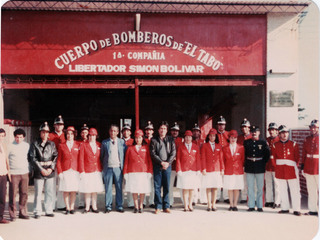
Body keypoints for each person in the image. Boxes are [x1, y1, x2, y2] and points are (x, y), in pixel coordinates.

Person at [29, 122, 58, 219]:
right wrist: (41, 169)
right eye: (43, 132)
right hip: (39, 171)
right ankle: (37, 211)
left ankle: (48, 210)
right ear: (40, 133)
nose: (45, 134)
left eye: (46, 132)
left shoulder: (52, 144)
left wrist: (51, 168)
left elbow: (55, 156)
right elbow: (32, 158)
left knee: (49, 191)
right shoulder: (34, 144)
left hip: (49, 171)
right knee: (38, 192)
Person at [271, 125, 301, 216]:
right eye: (282, 133)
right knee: (282, 189)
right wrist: (276, 167)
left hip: (291, 169)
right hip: (280, 169)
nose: (284, 135)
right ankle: (285, 208)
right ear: (279, 134)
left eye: (286, 132)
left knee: (294, 189)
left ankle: (296, 209)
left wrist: (296, 167)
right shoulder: (275, 145)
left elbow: (297, 158)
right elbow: (273, 158)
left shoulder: (294, 144)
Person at [123, 130, 153, 213]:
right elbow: (126, 161)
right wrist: (125, 172)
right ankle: (136, 206)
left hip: (143, 172)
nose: (137, 139)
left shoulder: (146, 148)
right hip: (133, 171)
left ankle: (141, 206)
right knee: (134, 189)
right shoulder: (130, 148)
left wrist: (150, 171)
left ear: (142, 138)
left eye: (139, 138)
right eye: (136, 138)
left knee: (142, 189)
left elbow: (149, 161)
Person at [150, 121, 176, 214]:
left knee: (167, 186)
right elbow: (153, 153)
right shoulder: (154, 140)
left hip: (168, 166)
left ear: (167, 130)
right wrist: (161, 162)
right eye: (161, 128)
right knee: (157, 186)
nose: (163, 130)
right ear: (158, 130)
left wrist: (168, 163)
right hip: (158, 165)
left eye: (164, 128)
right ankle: (157, 206)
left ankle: (166, 206)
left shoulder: (170, 139)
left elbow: (173, 152)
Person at [101, 125, 127, 213]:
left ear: (118, 132)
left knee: (119, 187)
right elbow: (102, 156)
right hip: (108, 167)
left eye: (115, 131)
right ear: (109, 132)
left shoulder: (122, 142)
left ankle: (119, 205)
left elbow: (124, 155)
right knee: (108, 187)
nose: (113, 133)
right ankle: (108, 206)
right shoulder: (105, 142)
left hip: (118, 168)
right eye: (111, 131)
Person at [243, 126, 270, 212]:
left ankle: (259, 206)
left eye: (256, 131)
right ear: (251, 132)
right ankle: (251, 205)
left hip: (259, 166)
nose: (254, 133)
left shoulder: (263, 142)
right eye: (253, 131)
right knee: (250, 187)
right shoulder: (247, 142)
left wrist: (262, 162)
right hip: (249, 166)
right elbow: (244, 154)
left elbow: (267, 154)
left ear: (259, 133)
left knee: (260, 187)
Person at [78, 128, 104, 213]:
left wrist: (102, 169)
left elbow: (101, 158)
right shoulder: (83, 145)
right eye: (90, 135)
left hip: (96, 170)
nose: (92, 137)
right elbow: (81, 159)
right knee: (87, 189)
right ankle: (87, 207)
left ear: (96, 136)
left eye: (93, 135)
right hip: (87, 170)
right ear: (88, 136)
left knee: (94, 189)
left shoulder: (99, 145)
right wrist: (82, 171)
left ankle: (94, 206)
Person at [56, 126, 80, 214]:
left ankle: (72, 207)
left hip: (74, 170)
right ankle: (67, 207)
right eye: (68, 134)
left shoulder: (78, 145)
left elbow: (80, 159)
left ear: (74, 135)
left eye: (71, 134)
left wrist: (80, 171)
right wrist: (60, 172)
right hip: (65, 170)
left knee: (73, 189)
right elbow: (59, 160)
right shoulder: (62, 145)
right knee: (66, 189)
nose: (70, 136)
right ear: (66, 135)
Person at [8, 128, 30, 221]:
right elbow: (6, 159)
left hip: (24, 173)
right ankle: (12, 214)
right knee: (13, 194)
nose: (19, 139)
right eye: (17, 137)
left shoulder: (26, 145)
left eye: (21, 137)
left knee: (24, 193)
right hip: (14, 173)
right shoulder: (10, 146)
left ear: (24, 137)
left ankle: (23, 212)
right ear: (14, 137)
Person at [176, 130, 201, 211]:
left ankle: (190, 205)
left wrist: (198, 169)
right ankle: (185, 205)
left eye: (189, 137)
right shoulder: (180, 146)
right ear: (184, 138)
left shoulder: (195, 146)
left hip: (193, 170)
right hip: (184, 170)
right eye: (186, 137)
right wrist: (179, 169)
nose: (188, 139)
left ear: (191, 138)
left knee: (192, 188)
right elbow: (178, 159)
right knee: (185, 188)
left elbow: (198, 159)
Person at [201, 128, 224, 211]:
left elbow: (221, 158)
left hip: (216, 169)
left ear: (215, 137)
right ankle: (209, 204)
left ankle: (214, 204)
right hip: (208, 169)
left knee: (215, 187)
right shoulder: (204, 145)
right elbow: (202, 158)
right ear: (208, 137)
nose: (212, 137)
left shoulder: (219, 146)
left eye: (213, 136)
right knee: (208, 187)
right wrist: (203, 168)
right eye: (210, 136)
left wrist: (222, 168)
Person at [222, 130, 245, 211]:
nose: (233, 140)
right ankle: (231, 205)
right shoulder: (225, 148)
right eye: (231, 138)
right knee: (230, 188)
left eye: (235, 138)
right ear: (229, 138)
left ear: (237, 138)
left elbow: (242, 160)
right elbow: (223, 160)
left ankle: (235, 205)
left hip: (238, 171)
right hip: (228, 170)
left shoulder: (241, 147)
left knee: (236, 188)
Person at [49, 115, 66, 211]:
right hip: (52, 162)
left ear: (63, 126)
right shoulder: (50, 136)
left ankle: (61, 204)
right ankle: (51, 205)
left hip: (62, 163)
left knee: (61, 184)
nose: (59, 126)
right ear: (54, 125)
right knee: (51, 185)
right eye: (57, 124)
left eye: (61, 124)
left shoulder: (66, 135)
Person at [302, 119, 319, 216]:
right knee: (311, 189)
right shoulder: (306, 139)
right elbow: (304, 153)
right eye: (311, 127)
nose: (313, 129)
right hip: (309, 166)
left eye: (315, 127)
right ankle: (312, 209)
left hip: (318, 166)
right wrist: (302, 166)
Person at [265, 122, 280, 208]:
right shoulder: (266, 140)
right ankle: (269, 200)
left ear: (277, 131)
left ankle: (277, 201)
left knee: (277, 184)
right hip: (268, 165)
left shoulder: (278, 140)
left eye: (273, 130)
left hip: (276, 165)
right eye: (270, 130)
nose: (271, 132)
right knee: (268, 183)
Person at [237, 118, 251, 204]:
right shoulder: (239, 138)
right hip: (241, 162)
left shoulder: (252, 136)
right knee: (243, 180)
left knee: (251, 181)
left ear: (249, 128)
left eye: (246, 127)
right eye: (243, 127)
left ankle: (251, 196)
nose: (244, 129)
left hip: (250, 161)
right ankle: (243, 196)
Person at [169, 122, 183, 207]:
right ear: (171, 131)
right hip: (171, 166)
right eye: (173, 130)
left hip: (180, 166)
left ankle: (184, 201)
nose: (175, 132)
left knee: (182, 184)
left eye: (176, 131)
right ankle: (170, 201)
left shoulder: (181, 140)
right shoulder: (168, 139)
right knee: (170, 185)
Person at [216, 116, 229, 203]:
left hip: (226, 158)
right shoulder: (214, 134)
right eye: (219, 125)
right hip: (217, 158)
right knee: (217, 178)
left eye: (222, 125)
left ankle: (226, 196)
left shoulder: (228, 134)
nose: (221, 126)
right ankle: (216, 196)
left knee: (226, 178)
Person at [77, 123, 89, 210]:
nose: (84, 134)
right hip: (79, 166)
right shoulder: (77, 143)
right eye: (83, 132)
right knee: (80, 184)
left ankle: (89, 203)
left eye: (86, 132)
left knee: (88, 185)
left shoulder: (90, 142)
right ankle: (81, 202)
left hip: (88, 166)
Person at [0, 128, 10, 224]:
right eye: (0, 136)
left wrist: (8, 172)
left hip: (3, 174)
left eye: (3, 136)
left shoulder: (4, 146)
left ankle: (0, 217)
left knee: (2, 196)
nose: (1, 138)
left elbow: (6, 160)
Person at [144, 121, 155, 208]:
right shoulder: (142, 140)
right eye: (147, 130)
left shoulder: (155, 140)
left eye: (150, 130)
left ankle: (152, 201)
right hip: (144, 164)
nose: (148, 131)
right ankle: (143, 201)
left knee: (153, 183)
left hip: (154, 163)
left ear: (153, 131)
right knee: (143, 183)